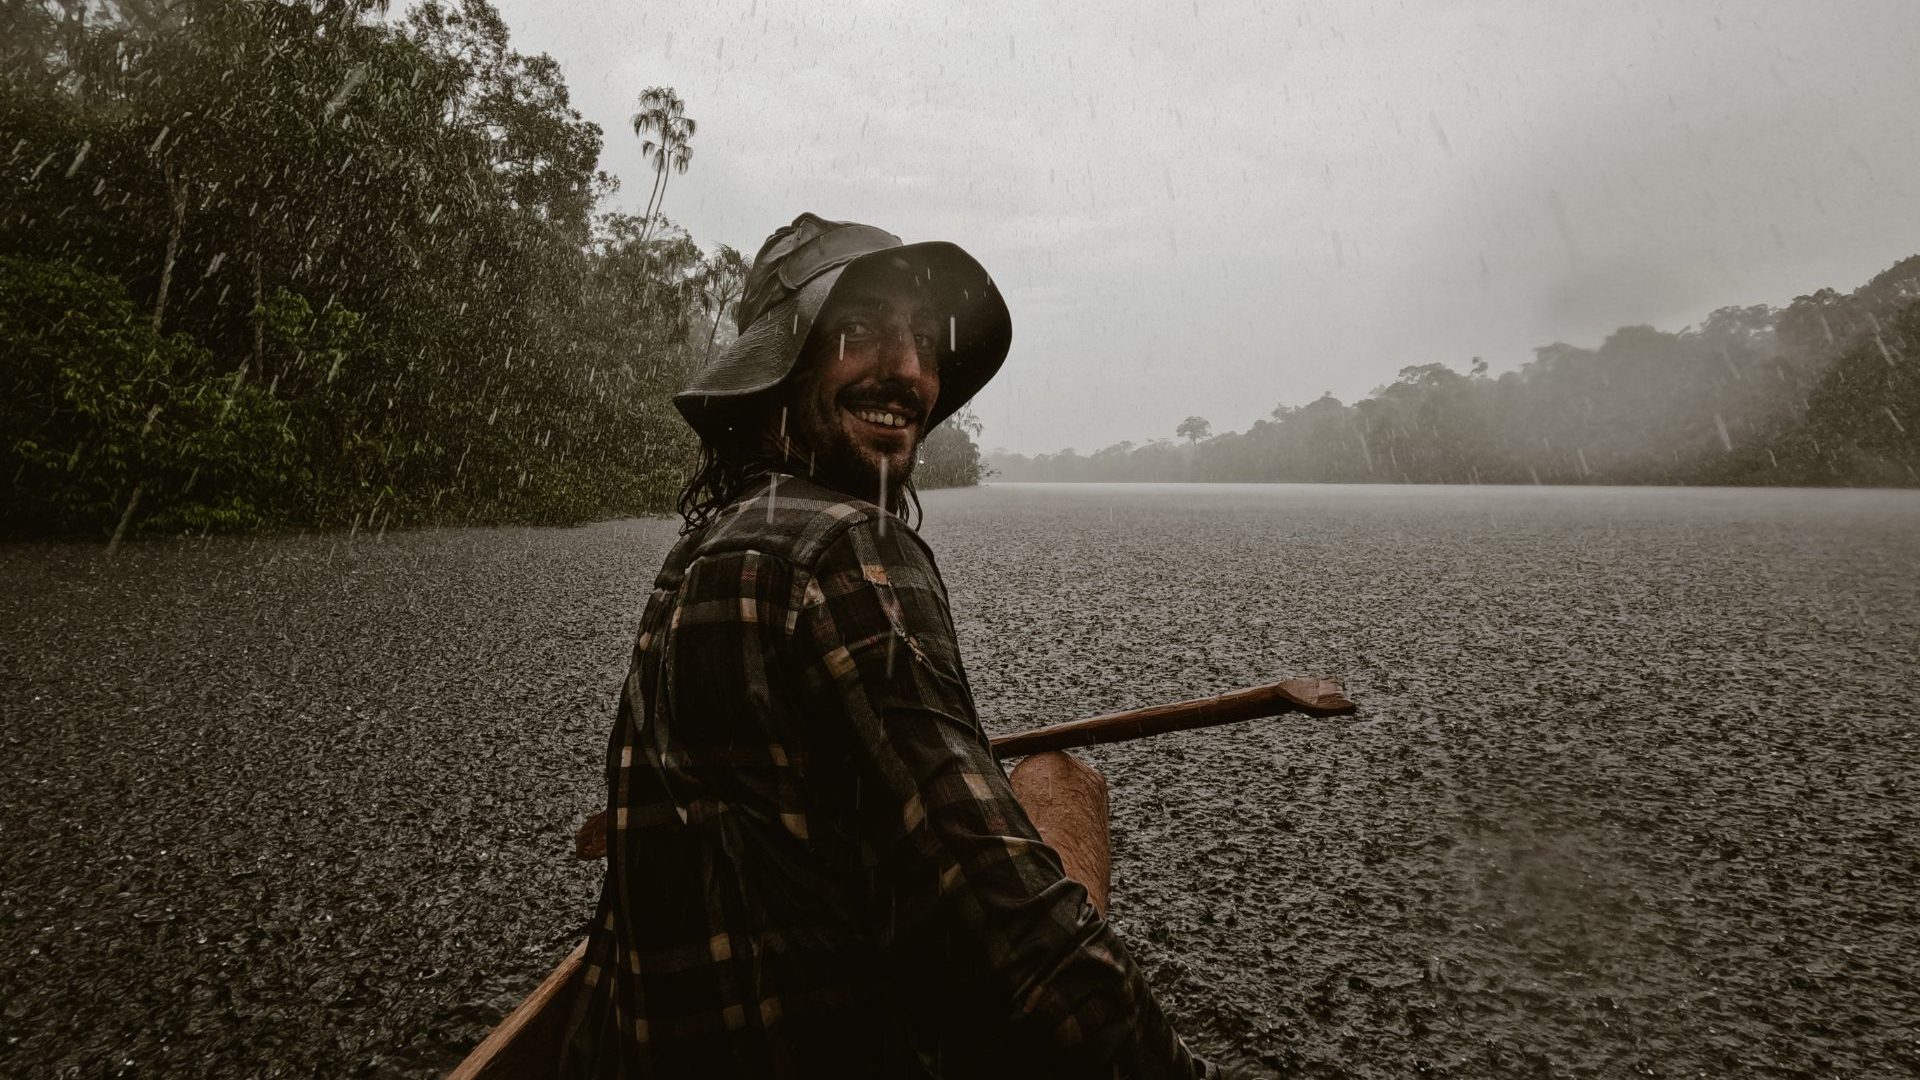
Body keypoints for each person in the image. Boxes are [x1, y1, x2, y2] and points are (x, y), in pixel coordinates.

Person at [560, 213, 1224, 1079]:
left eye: (921, 339)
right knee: (1062, 786)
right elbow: (1022, 951)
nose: (910, 371)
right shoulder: (841, 548)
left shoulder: (708, 548)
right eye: (860, 328)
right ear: (781, 370)